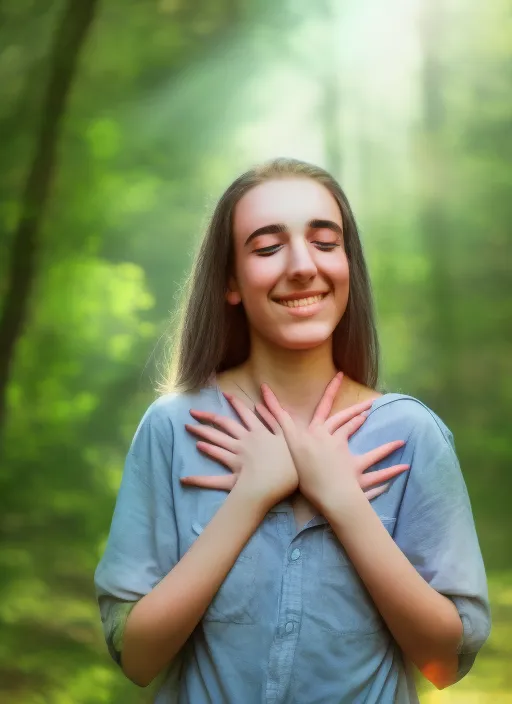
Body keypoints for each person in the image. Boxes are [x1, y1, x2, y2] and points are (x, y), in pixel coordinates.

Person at [94, 158, 491, 703]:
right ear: (231, 281)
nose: (303, 265)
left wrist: (343, 501)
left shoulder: (411, 434)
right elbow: (137, 658)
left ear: (348, 266)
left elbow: (446, 663)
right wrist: (251, 496)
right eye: (267, 247)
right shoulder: (173, 428)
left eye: (326, 243)